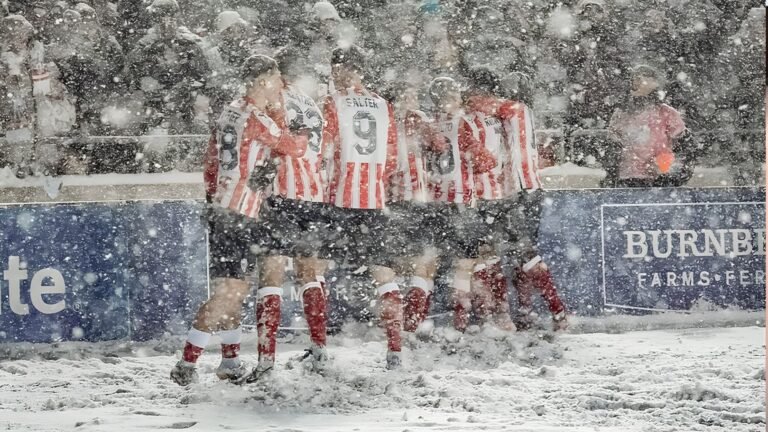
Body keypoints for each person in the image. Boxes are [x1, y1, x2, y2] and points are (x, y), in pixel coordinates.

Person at [170, 55, 308, 386]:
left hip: (223, 208)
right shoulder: (259, 118)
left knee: (234, 289)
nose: (280, 87)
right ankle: (186, 364)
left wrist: (217, 193)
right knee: (229, 293)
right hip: (240, 213)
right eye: (276, 80)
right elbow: (296, 147)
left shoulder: (231, 110)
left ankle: (229, 360)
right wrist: (296, 128)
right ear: (262, 82)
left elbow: (211, 161)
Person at [242, 46, 331, 383]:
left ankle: (266, 362)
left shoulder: (275, 98)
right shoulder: (312, 102)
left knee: (271, 277)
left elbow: (275, 143)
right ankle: (320, 349)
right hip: (314, 194)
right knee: (310, 273)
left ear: (280, 73)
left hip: (281, 193)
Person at [321, 46, 403, 369]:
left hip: (339, 199)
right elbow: (393, 158)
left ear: (338, 72)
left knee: (315, 271)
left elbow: (324, 151)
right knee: (384, 275)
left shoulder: (333, 104)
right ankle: (395, 351)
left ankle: (318, 350)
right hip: (374, 201)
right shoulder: (384, 106)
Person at [492, 71, 569, 331]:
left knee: (525, 253)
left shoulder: (514, 109)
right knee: (519, 256)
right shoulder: (524, 111)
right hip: (525, 189)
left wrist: (473, 99)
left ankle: (557, 311)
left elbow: (484, 106)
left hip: (520, 190)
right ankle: (526, 312)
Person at [423, 76, 497, 333]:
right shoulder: (461, 124)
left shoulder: (430, 126)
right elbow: (486, 162)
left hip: (435, 202)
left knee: (430, 265)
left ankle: (422, 319)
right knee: (465, 266)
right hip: (461, 202)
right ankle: (462, 322)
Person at [380, 81, 445, 335]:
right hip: (409, 200)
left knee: (410, 265)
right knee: (421, 264)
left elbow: (438, 147)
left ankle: (405, 323)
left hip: (399, 201)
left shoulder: (386, 122)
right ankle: (409, 324)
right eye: (409, 96)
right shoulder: (412, 121)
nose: (414, 101)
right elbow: (440, 145)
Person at [604, 65, 695, 188]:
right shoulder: (620, 114)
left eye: (642, 80)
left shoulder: (666, 113)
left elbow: (687, 147)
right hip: (627, 180)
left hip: (660, 181)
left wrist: (670, 171)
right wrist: (612, 174)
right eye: (635, 80)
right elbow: (611, 147)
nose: (637, 84)